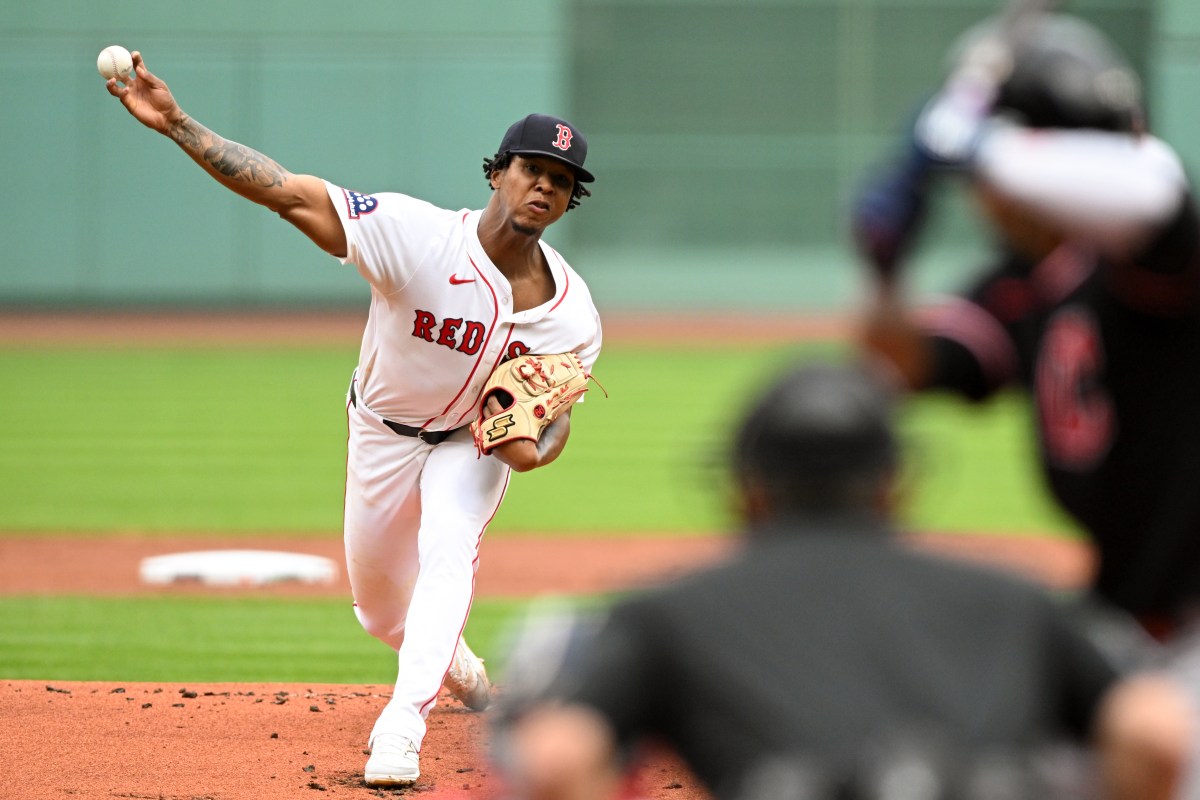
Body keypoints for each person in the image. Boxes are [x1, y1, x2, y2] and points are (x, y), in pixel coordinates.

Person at [103, 52, 602, 787]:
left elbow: (558, 416)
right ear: (498, 173)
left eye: (561, 181)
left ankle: (402, 726)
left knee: (449, 545)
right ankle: (456, 664)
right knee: (379, 612)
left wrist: (539, 449)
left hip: (468, 445)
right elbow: (287, 193)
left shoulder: (573, 314)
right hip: (382, 432)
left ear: (567, 202)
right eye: (532, 169)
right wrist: (178, 123)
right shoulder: (417, 237)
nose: (545, 186)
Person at [490, 361, 1191, 800]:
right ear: (893, 486)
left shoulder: (667, 614)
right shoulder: (1017, 598)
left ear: (748, 489)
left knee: (547, 648)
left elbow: (556, 762)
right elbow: (1155, 735)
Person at [850, 12, 1200, 648]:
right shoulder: (1022, 285)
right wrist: (884, 271)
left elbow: (1155, 192)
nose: (981, 197)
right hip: (1128, 598)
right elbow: (895, 367)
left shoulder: (1147, 262)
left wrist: (975, 142)